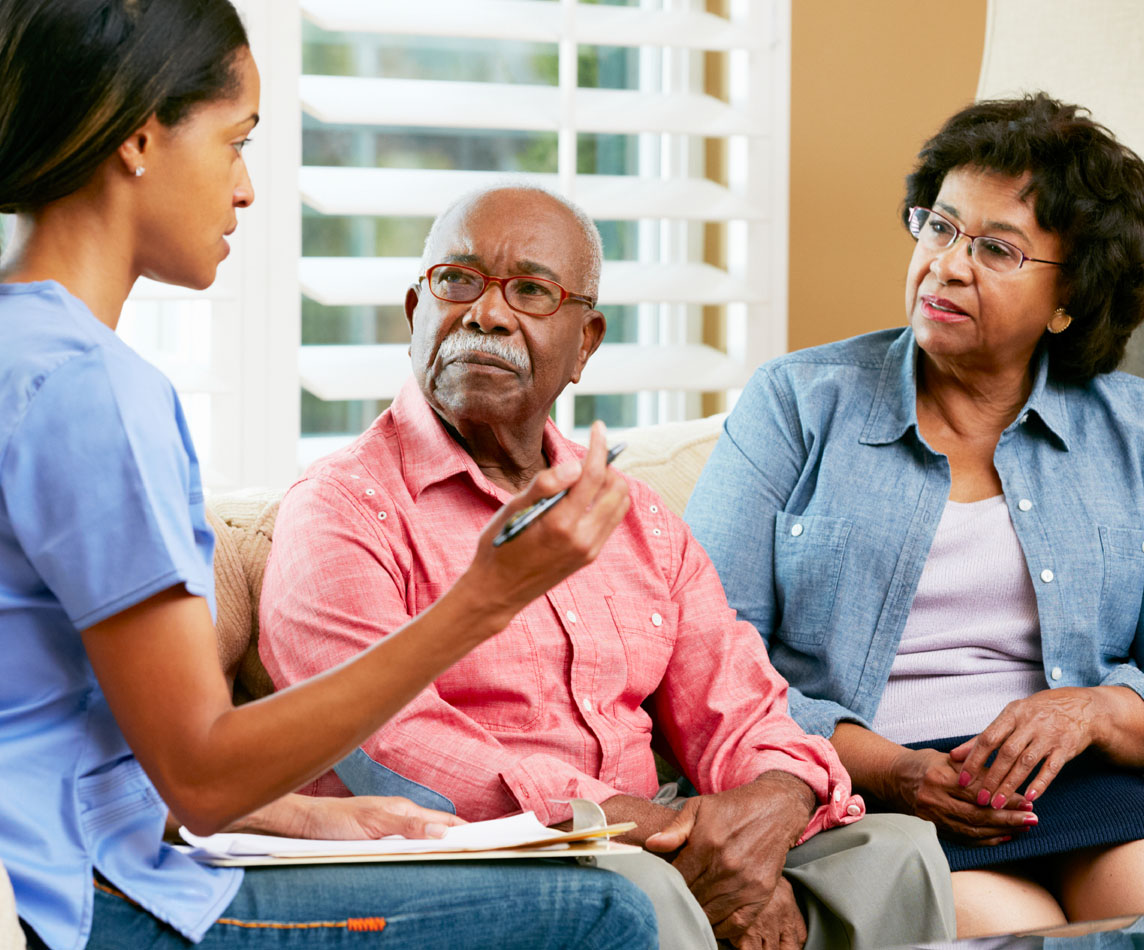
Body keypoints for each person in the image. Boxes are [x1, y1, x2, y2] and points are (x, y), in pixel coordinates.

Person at [0, 3, 661, 948]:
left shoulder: (23, 351)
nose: (245, 190)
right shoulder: (93, 391)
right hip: (80, 901)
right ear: (139, 137)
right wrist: (485, 598)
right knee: (602, 914)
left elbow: (62, 727)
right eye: (236, 142)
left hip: (64, 851)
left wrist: (304, 814)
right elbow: (201, 770)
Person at [259, 183, 958, 950]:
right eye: (457, 281)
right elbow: (390, 747)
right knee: (640, 889)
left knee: (894, 853)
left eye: (531, 290)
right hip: (470, 858)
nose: (486, 314)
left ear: (585, 342)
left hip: (647, 837)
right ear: (414, 312)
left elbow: (739, 704)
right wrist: (646, 833)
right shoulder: (342, 508)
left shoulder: (636, 517)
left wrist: (774, 805)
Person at [685, 93, 1144, 938]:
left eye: (997, 248)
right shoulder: (797, 403)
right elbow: (707, 657)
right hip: (873, 793)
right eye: (939, 226)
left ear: (1070, 298)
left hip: (1083, 786)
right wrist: (893, 770)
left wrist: (1097, 710)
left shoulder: (1133, 433)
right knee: (1004, 922)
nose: (947, 266)